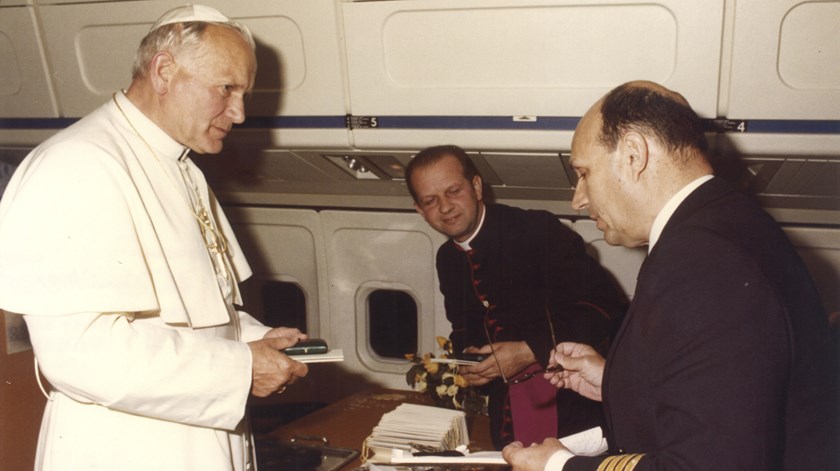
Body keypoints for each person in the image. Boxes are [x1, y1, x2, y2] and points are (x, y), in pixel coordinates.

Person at [0, 5, 309, 470]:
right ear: (164, 70)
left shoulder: (183, 168)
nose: (240, 112)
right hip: (126, 447)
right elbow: (76, 354)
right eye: (227, 88)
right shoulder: (76, 165)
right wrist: (240, 367)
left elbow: (196, 313)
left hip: (198, 438)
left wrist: (259, 339)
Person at [502, 81, 838, 470]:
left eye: (584, 173)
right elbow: (728, 393)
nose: (577, 198)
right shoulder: (727, 224)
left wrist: (557, 466)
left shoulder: (703, 258)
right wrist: (616, 382)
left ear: (633, 154)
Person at [406, 145, 626, 449]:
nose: (445, 207)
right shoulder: (447, 257)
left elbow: (603, 306)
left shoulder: (536, 229)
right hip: (506, 408)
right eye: (430, 200)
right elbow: (463, 324)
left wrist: (529, 351)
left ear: (477, 186)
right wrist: (469, 363)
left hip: (570, 402)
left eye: (453, 191)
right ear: (419, 209)